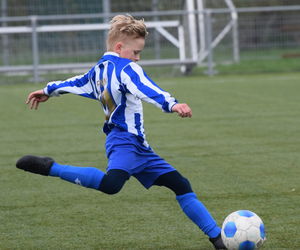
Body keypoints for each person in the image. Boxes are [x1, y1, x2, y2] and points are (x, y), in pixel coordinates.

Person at [16, 15, 226, 249]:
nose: (138, 58)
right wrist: (172, 104)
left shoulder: (99, 69)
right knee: (111, 184)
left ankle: (218, 239)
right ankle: (50, 168)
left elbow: (76, 82)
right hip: (123, 140)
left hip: (139, 146)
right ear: (119, 47)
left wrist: (48, 90)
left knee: (180, 184)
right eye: (136, 52)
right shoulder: (127, 68)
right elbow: (147, 88)